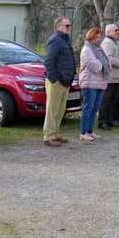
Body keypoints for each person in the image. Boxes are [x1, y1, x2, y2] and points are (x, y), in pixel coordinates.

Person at [42, 16, 76, 147]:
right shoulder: (55, 40)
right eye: (67, 26)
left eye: (69, 25)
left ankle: (55, 133)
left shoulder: (65, 40)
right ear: (58, 27)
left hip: (65, 80)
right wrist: (54, 79)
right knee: (52, 109)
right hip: (57, 81)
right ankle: (48, 136)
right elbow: (49, 61)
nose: (69, 28)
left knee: (61, 109)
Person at [77, 27, 109, 142]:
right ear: (91, 37)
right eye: (96, 37)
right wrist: (103, 64)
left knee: (95, 108)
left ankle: (90, 130)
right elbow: (95, 66)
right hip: (89, 83)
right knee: (88, 108)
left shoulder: (98, 49)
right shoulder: (86, 49)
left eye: (100, 37)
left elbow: (106, 61)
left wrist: (103, 64)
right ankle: (83, 132)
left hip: (99, 83)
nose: (98, 39)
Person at [98, 24, 119, 130]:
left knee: (113, 100)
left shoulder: (114, 43)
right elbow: (108, 59)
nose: (118, 32)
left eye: (118, 30)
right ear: (109, 32)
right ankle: (102, 121)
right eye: (116, 30)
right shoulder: (107, 43)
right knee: (106, 100)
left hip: (117, 77)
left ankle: (110, 120)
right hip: (110, 77)